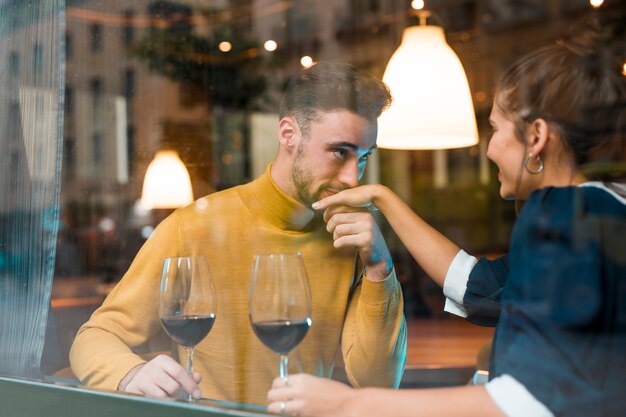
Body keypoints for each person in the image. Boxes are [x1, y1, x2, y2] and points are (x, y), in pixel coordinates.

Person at [267, 32, 626, 417]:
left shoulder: (564, 211)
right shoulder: (606, 208)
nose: (488, 148)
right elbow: (483, 288)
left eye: (496, 128)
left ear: (536, 137)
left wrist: (347, 404)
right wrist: (383, 198)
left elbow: (529, 400)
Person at [69, 62, 407, 405]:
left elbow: (375, 382)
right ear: (289, 134)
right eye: (340, 152)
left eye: (363, 158)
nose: (353, 178)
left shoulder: (349, 241)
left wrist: (379, 268)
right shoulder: (193, 227)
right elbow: (94, 337)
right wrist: (130, 374)